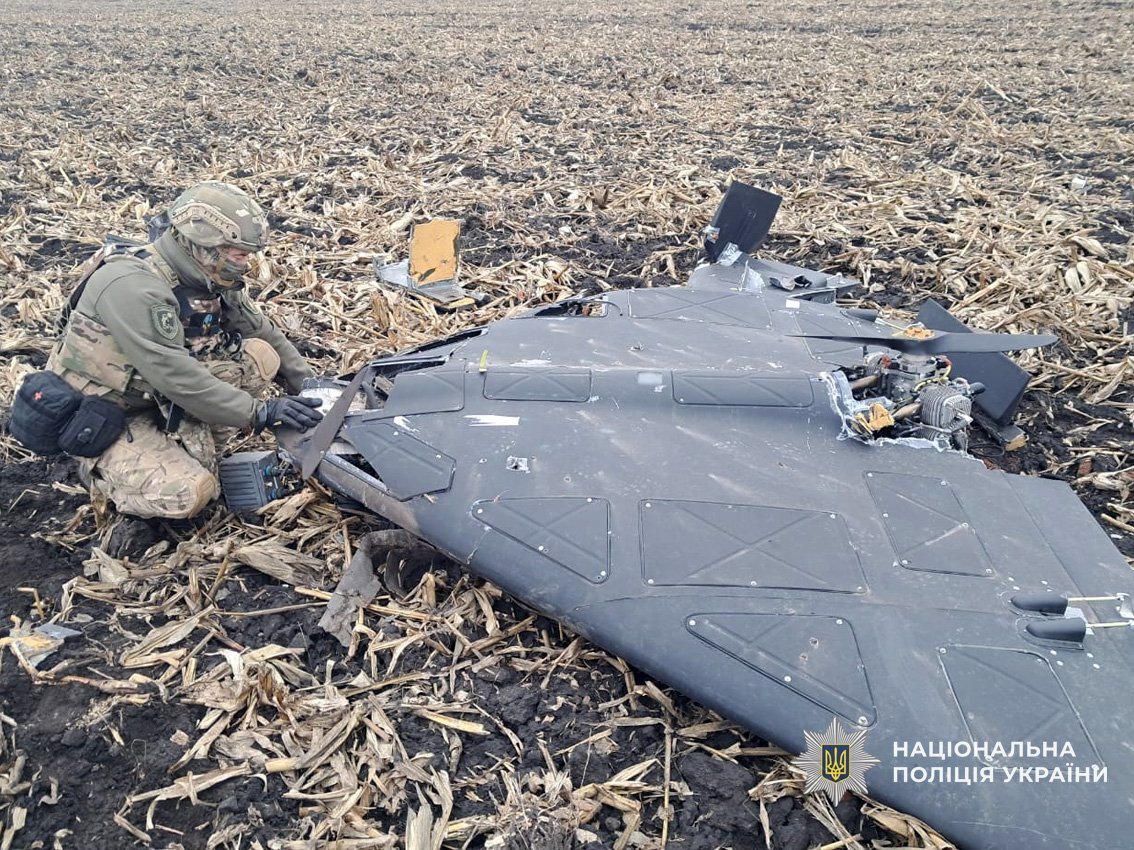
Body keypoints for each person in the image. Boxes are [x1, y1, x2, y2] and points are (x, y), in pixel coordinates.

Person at [48, 181, 324, 520]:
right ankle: (102, 473)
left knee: (261, 354)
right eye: (240, 255)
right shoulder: (133, 285)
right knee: (192, 493)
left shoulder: (209, 276)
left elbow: (262, 331)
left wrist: (316, 389)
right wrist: (259, 412)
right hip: (107, 412)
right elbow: (175, 375)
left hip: (157, 397)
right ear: (205, 246)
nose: (248, 264)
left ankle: (184, 449)